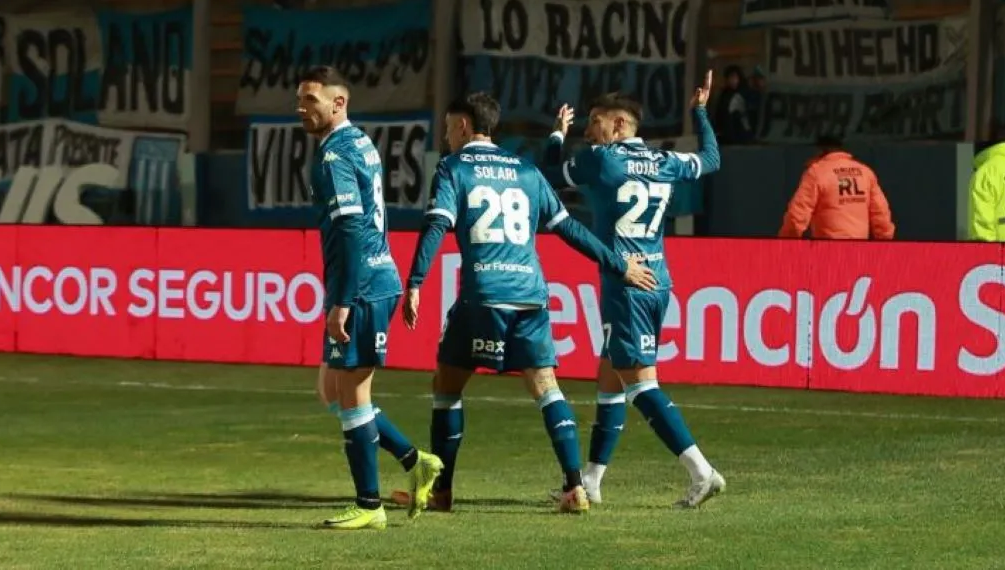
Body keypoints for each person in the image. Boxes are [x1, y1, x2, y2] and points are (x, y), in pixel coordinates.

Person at [392, 93, 658, 514]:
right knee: (547, 389)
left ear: (463, 126)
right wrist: (618, 264)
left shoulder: (453, 167)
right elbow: (570, 228)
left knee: (446, 386)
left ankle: (441, 493)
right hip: (531, 298)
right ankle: (575, 489)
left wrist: (416, 281)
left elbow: (436, 224)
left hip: (483, 296)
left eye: (447, 127)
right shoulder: (527, 170)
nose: (445, 135)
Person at [540, 73, 727, 508]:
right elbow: (712, 159)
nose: (588, 131)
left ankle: (702, 472)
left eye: (595, 123)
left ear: (620, 125)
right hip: (659, 280)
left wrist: (556, 133)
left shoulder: (601, 161)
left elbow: (550, 172)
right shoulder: (666, 161)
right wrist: (699, 112)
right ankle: (591, 480)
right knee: (609, 378)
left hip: (626, 283)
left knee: (641, 385)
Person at [297, 66, 443, 531]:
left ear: (339, 102)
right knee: (332, 391)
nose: (302, 109)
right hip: (365, 282)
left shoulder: (334, 156)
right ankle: (416, 461)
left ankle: (368, 504)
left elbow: (353, 227)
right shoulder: (357, 141)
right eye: (300, 100)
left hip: (361, 286)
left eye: (311, 100)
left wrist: (342, 299)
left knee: (354, 394)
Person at [778, 135, 895, 240]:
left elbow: (797, 215)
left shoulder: (817, 172)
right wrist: (885, 240)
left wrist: (786, 243)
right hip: (860, 249)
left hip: (828, 250)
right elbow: (881, 213)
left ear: (820, 150)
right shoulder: (865, 172)